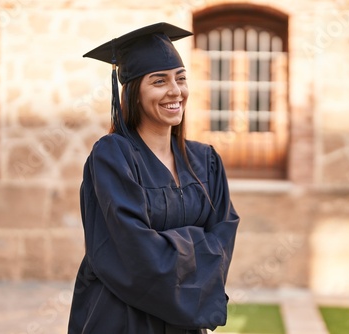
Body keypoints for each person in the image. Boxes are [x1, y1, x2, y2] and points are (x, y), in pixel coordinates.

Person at [68, 22, 240, 333]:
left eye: (181, 79)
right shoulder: (112, 156)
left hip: (184, 323)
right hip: (122, 317)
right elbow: (130, 248)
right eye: (159, 81)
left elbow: (224, 236)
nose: (175, 91)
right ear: (134, 92)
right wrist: (196, 243)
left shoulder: (206, 160)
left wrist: (166, 243)